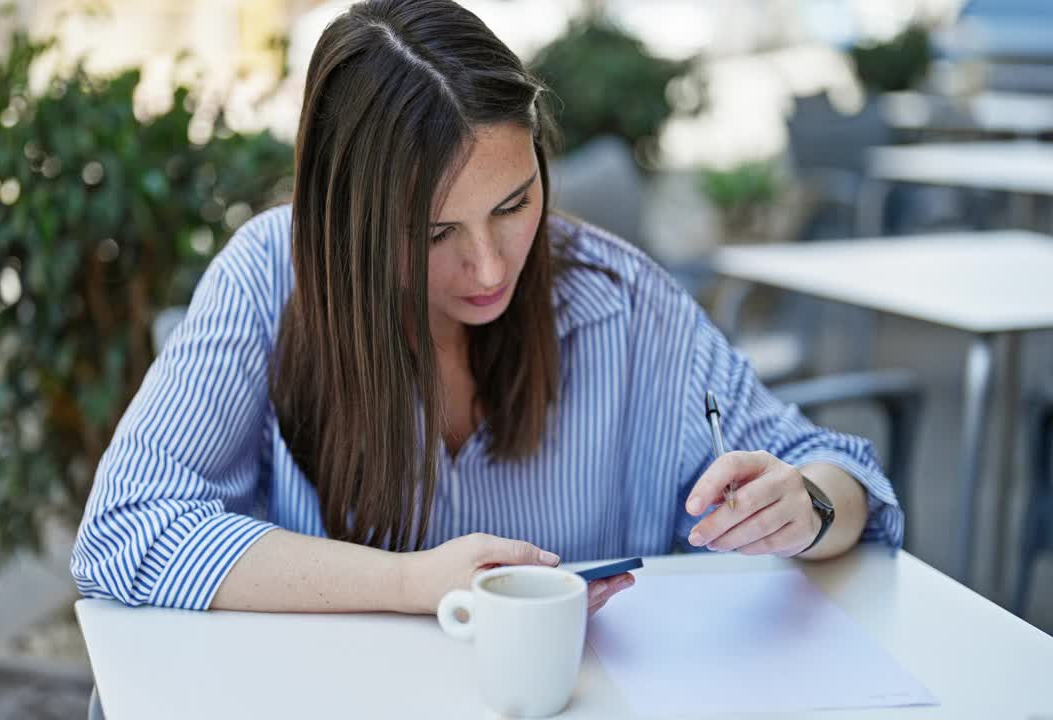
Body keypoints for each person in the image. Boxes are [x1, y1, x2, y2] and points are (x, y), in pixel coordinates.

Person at [70, 0, 902, 618]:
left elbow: (839, 471)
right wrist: (411, 583)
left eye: (513, 203)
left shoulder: (617, 296)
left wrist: (810, 505)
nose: (490, 263)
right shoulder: (270, 276)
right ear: (346, 220)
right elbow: (123, 532)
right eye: (432, 232)